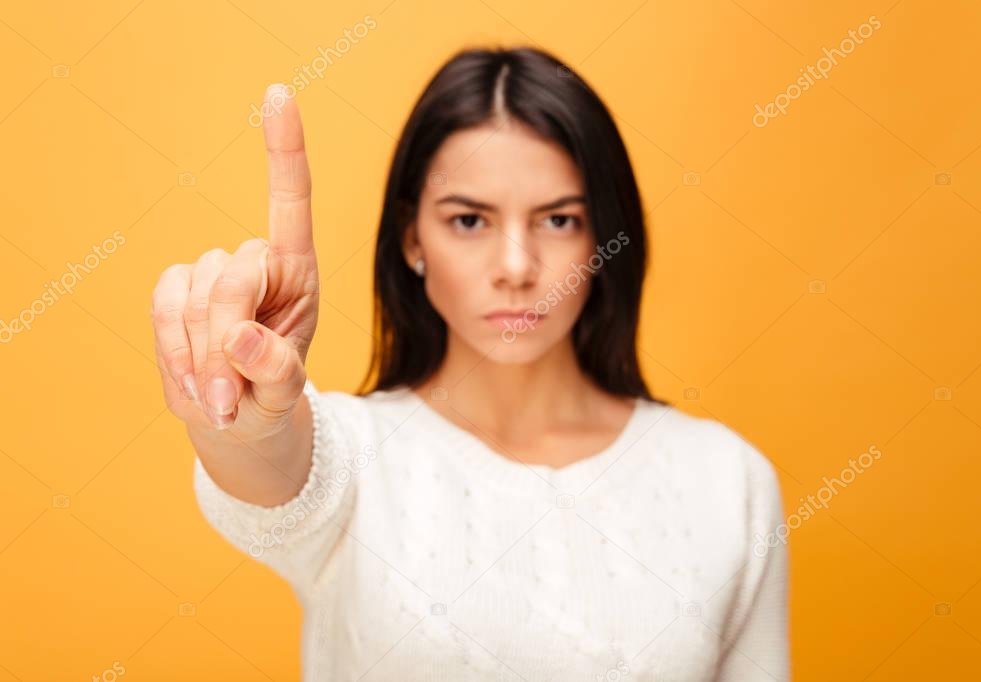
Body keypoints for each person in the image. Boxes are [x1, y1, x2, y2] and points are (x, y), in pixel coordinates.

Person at [149, 46, 789, 681]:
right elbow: (274, 466)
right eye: (469, 220)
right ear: (412, 238)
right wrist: (239, 416)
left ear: (604, 240)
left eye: (559, 220)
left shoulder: (727, 480)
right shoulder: (354, 458)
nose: (516, 267)